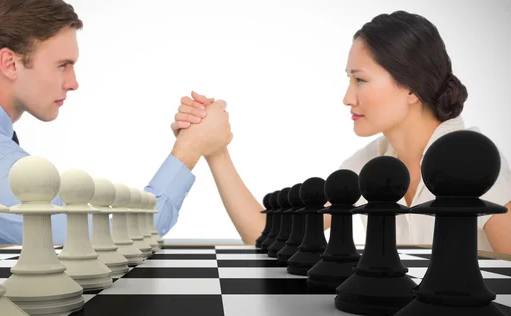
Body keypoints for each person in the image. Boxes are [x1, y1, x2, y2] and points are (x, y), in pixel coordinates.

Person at [0, 0, 232, 258]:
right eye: (62, 65)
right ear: (9, 63)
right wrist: (190, 148)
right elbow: (118, 240)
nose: (74, 83)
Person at [172, 11, 511, 254]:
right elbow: (266, 236)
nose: (348, 98)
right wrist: (214, 150)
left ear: (412, 88)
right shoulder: (371, 163)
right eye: (349, 80)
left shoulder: (475, 163)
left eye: (360, 79)